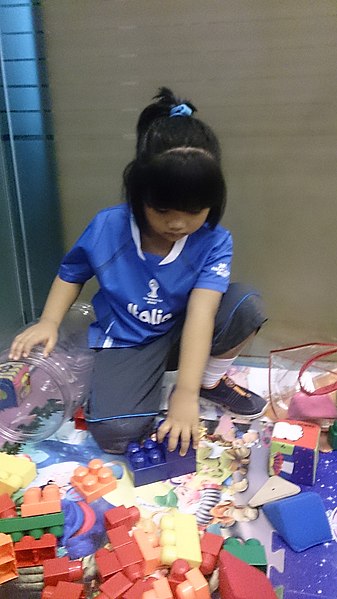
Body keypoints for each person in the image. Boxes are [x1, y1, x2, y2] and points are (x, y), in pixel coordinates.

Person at [9, 87, 267, 456]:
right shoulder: (108, 227)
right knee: (115, 434)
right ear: (138, 193)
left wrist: (187, 394)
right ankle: (146, 382)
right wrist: (49, 320)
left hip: (183, 333)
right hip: (128, 339)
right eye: (163, 210)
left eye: (194, 210)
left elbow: (201, 314)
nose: (178, 224)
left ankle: (208, 381)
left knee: (246, 306)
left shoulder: (214, 240)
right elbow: (72, 272)